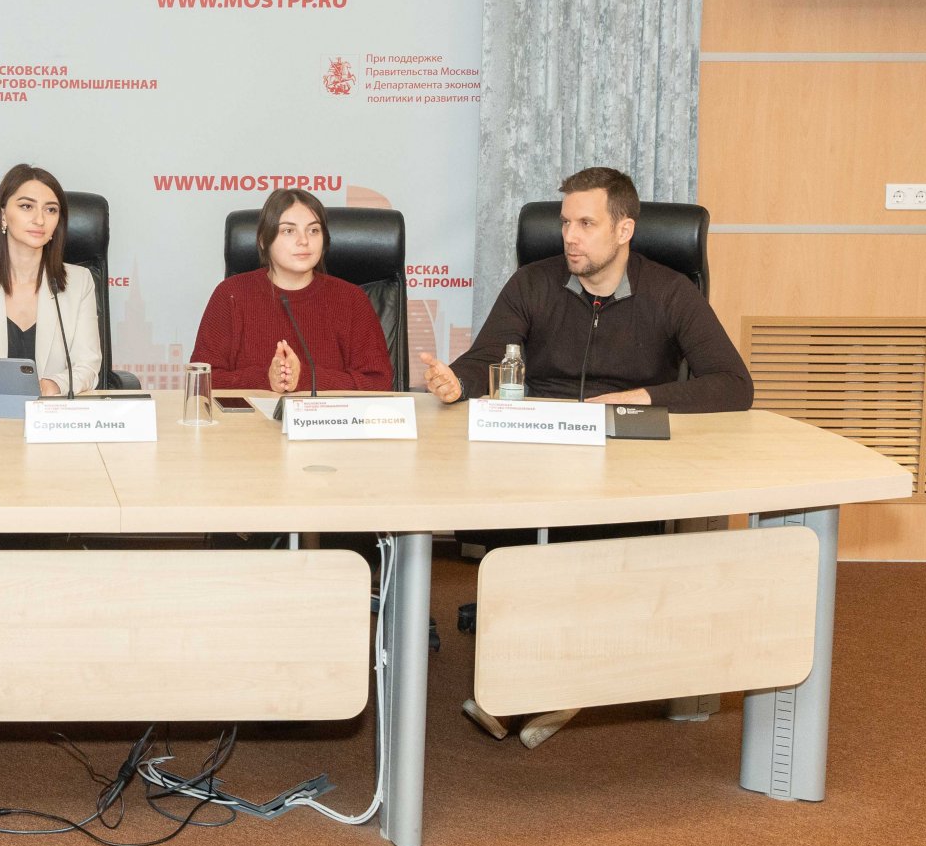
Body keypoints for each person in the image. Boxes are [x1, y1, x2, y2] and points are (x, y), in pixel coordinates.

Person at [419, 165, 754, 747]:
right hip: (540, 447)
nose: (569, 237)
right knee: (525, 540)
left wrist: (639, 397)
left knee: (596, 549)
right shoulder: (533, 283)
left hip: (623, 454)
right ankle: (539, 686)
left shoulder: (671, 291)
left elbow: (732, 384)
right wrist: (457, 382)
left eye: (586, 224)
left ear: (624, 230)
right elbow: (486, 359)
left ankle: (543, 687)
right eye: (565, 223)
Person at [190, 188, 396, 393]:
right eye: (289, 231)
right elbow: (201, 380)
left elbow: (378, 382)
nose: (304, 241)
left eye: (313, 230)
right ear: (263, 240)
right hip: (251, 416)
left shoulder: (351, 299)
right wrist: (266, 378)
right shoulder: (231, 294)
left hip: (327, 416)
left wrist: (305, 378)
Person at [0, 163, 102, 396]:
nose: (40, 219)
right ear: (3, 215)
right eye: (27, 206)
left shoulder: (79, 283)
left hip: (54, 412)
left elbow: (87, 366)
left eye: (51, 210)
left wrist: (53, 385)